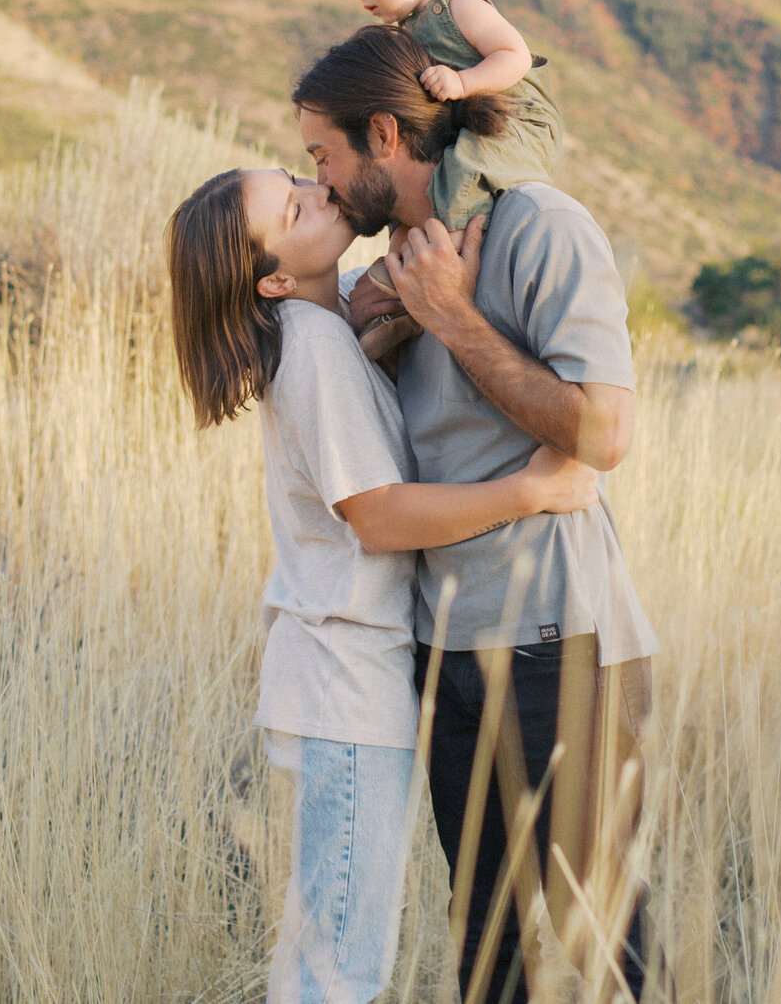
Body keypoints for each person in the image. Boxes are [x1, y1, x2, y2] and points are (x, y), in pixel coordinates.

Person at [165, 165, 601, 1004]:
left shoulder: (322, 332)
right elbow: (378, 515)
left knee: (329, 944)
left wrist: (388, 327)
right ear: (275, 278)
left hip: (343, 676)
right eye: (295, 207)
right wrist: (531, 492)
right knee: (341, 960)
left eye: (300, 174)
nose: (321, 191)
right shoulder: (312, 344)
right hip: (348, 684)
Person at [293, 28, 659, 1004]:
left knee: (611, 937)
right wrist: (395, 313)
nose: (320, 181)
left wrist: (454, 314)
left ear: (384, 134)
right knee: (488, 952)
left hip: (559, 640)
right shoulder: (400, 268)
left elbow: (605, 431)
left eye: (323, 155)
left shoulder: (539, 225)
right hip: (445, 651)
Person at [332, 0, 562, 358]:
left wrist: (462, 82)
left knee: (460, 173)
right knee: (409, 200)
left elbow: (514, 56)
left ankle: (441, 275)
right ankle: (399, 298)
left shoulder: (458, 7)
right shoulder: (409, 27)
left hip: (518, 124)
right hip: (476, 124)